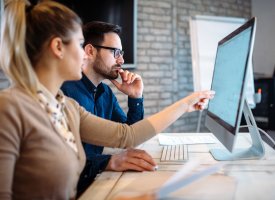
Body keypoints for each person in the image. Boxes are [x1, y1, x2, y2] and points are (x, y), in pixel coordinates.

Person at [0, 1, 214, 199]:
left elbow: (128, 135)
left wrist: (184, 103)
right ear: (58, 47)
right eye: (80, 44)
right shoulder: (9, 108)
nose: (84, 54)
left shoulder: (64, 107)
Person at [61, 21, 152, 195]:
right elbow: (64, 160)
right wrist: (108, 161)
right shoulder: (65, 92)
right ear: (90, 51)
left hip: (96, 180)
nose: (122, 60)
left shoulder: (105, 93)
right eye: (116, 52)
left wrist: (135, 97)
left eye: (122, 53)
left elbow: (130, 136)